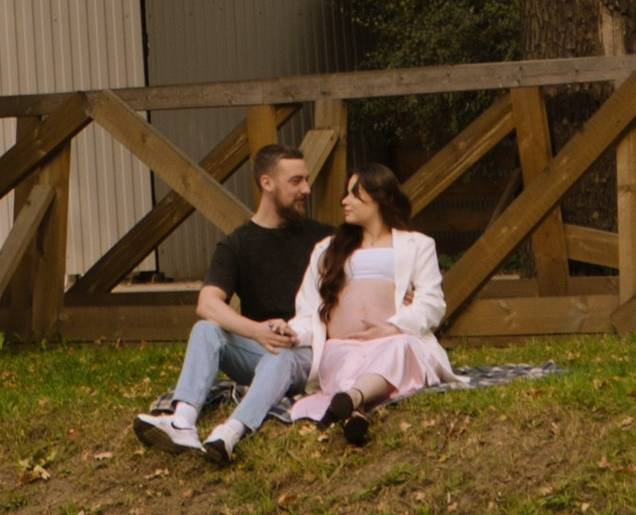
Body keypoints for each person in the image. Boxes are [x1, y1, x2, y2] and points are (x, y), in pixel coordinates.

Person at [134, 143, 322, 464]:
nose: (306, 188)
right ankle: (183, 421)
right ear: (267, 183)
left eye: (305, 180)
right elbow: (207, 303)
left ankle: (232, 431)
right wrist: (256, 332)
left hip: (308, 350)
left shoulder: (324, 238)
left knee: (282, 355)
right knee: (207, 329)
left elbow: (372, 263)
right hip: (261, 350)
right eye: (295, 181)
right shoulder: (237, 244)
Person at [288, 163, 453, 441]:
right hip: (342, 343)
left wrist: (392, 327)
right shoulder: (328, 248)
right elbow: (307, 307)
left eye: (354, 194)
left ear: (379, 198)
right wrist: (292, 333)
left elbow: (432, 302)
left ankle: (351, 399)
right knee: (347, 361)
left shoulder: (417, 245)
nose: (345, 201)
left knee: (400, 348)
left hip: (393, 340)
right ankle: (353, 408)